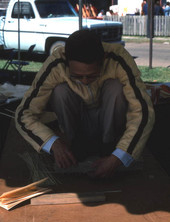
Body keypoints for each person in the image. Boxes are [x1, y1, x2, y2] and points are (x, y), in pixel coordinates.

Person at [15, 30, 155, 178]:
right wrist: (52, 143)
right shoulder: (56, 63)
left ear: (104, 59)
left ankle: (108, 147)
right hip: (76, 123)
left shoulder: (118, 58)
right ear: (66, 61)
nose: (85, 81)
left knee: (116, 88)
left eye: (92, 75)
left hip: (109, 122)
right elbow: (23, 114)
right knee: (60, 91)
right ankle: (72, 147)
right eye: (77, 76)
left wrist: (119, 156)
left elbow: (143, 111)